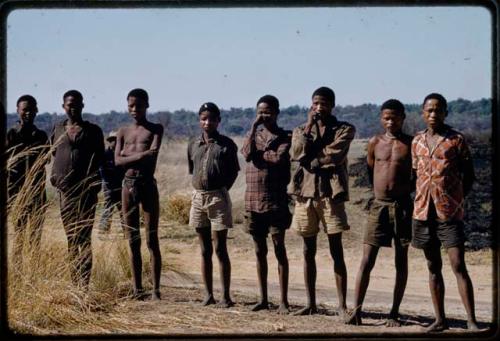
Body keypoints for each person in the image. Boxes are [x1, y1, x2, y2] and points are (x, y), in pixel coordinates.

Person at [411, 93, 479, 332]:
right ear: (422, 112)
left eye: (438, 110)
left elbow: (468, 175)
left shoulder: (456, 140)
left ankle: (471, 320)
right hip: (423, 211)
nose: (433, 115)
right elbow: (414, 175)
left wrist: (455, 198)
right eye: (429, 110)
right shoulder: (417, 141)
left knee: (458, 264)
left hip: (449, 213)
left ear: (445, 113)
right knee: (432, 266)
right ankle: (440, 319)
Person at [346, 99, 413, 326]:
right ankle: (356, 310)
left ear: (403, 118)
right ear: (381, 118)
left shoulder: (411, 144)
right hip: (379, 206)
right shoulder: (375, 142)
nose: (390, 121)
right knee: (367, 259)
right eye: (386, 117)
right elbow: (371, 168)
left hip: (402, 207)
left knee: (401, 260)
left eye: (395, 117)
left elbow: (414, 177)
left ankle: (394, 313)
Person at [288, 86, 355, 316]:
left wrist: (314, 159)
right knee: (308, 249)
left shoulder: (344, 129)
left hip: (330, 195)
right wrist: (308, 127)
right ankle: (310, 303)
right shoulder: (300, 129)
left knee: (336, 250)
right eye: (316, 103)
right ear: (310, 104)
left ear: (332, 105)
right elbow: (296, 152)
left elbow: (335, 154)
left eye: (324, 103)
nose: (319, 107)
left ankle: (342, 306)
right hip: (305, 194)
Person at [240, 95, 292, 314]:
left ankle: (283, 301)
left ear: (277, 112)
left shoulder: (285, 136)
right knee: (259, 250)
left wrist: (260, 155)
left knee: (279, 249)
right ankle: (262, 299)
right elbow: (247, 153)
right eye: (261, 112)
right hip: (252, 201)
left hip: (275, 202)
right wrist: (253, 127)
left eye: (268, 111)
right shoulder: (253, 135)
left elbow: (278, 158)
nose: (264, 115)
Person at [187, 102, 239, 308]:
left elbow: (234, 172)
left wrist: (222, 190)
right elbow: (193, 170)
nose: (207, 122)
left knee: (220, 248)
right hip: (198, 197)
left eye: (212, 119)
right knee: (204, 249)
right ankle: (208, 295)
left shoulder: (226, 144)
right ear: (199, 120)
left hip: (218, 197)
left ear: (219, 120)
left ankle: (225, 296)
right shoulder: (193, 144)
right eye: (203, 118)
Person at [50, 90, 104, 287]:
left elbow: (100, 159)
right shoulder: (57, 129)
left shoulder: (93, 131)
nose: (72, 108)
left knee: (84, 239)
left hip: (86, 194)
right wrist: (56, 179)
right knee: (71, 239)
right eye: (68, 104)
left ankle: (85, 286)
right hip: (65, 194)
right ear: (63, 106)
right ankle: (75, 285)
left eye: (76, 104)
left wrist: (93, 186)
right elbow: (54, 154)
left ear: (82, 105)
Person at [115, 88, 163, 300]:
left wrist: (129, 156)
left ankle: (156, 290)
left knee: (152, 239)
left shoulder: (155, 129)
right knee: (132, 239)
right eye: (131, 105)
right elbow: (117, 162)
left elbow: (152, 157)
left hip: (147, 186)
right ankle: (137, 289)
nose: (135, 109)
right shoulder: (122, 131)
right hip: (127, 186)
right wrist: (141, 154)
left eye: (139, 105)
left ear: (147, 105)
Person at [7, 95, 49, 269]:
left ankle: (33, 271)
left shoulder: (41, 135)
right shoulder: (11, 134)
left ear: (37, 111)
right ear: (17, 111)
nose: (28, 113)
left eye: (31, 109)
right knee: (19, 234)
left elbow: (45, 159)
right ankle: (17, 272)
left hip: (37, 191)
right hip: (18, 192)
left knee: (35, 235)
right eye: (24, 109)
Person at [97, 131, 125, 236]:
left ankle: (127, 230)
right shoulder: (105, 154)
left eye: (117, 140)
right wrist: (107, 182)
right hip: (108, 185)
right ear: (109, 142)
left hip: (121, 185)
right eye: (113, 140)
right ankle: (104, 231)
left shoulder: (123, 154)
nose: (115, 142)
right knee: (108, 207)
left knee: (123, 208)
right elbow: (101, 170)